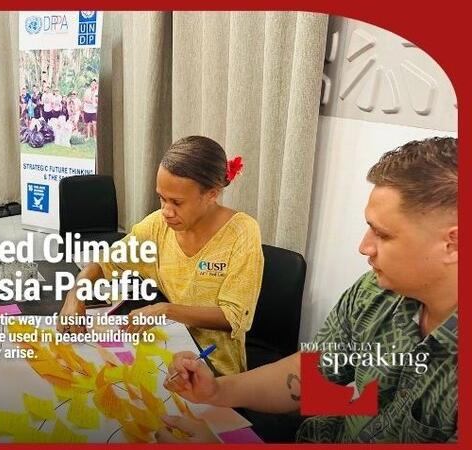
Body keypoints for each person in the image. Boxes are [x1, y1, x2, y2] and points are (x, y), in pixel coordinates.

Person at [162, 137, 458, 443]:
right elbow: (312, 375)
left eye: (383, 234)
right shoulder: (375, 293)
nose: (364, 247)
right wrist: (217, 391)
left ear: (453, 243)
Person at [59, 136, 263, 376]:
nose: (166, 211)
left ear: (212, 194)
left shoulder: (242, 233)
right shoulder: (158, 225)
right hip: (166, 352)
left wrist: (165, 310)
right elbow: (105, 263)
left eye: (177, 202)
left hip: (215, 368)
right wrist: (75, 295)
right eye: (162, 198)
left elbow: (233, 317)